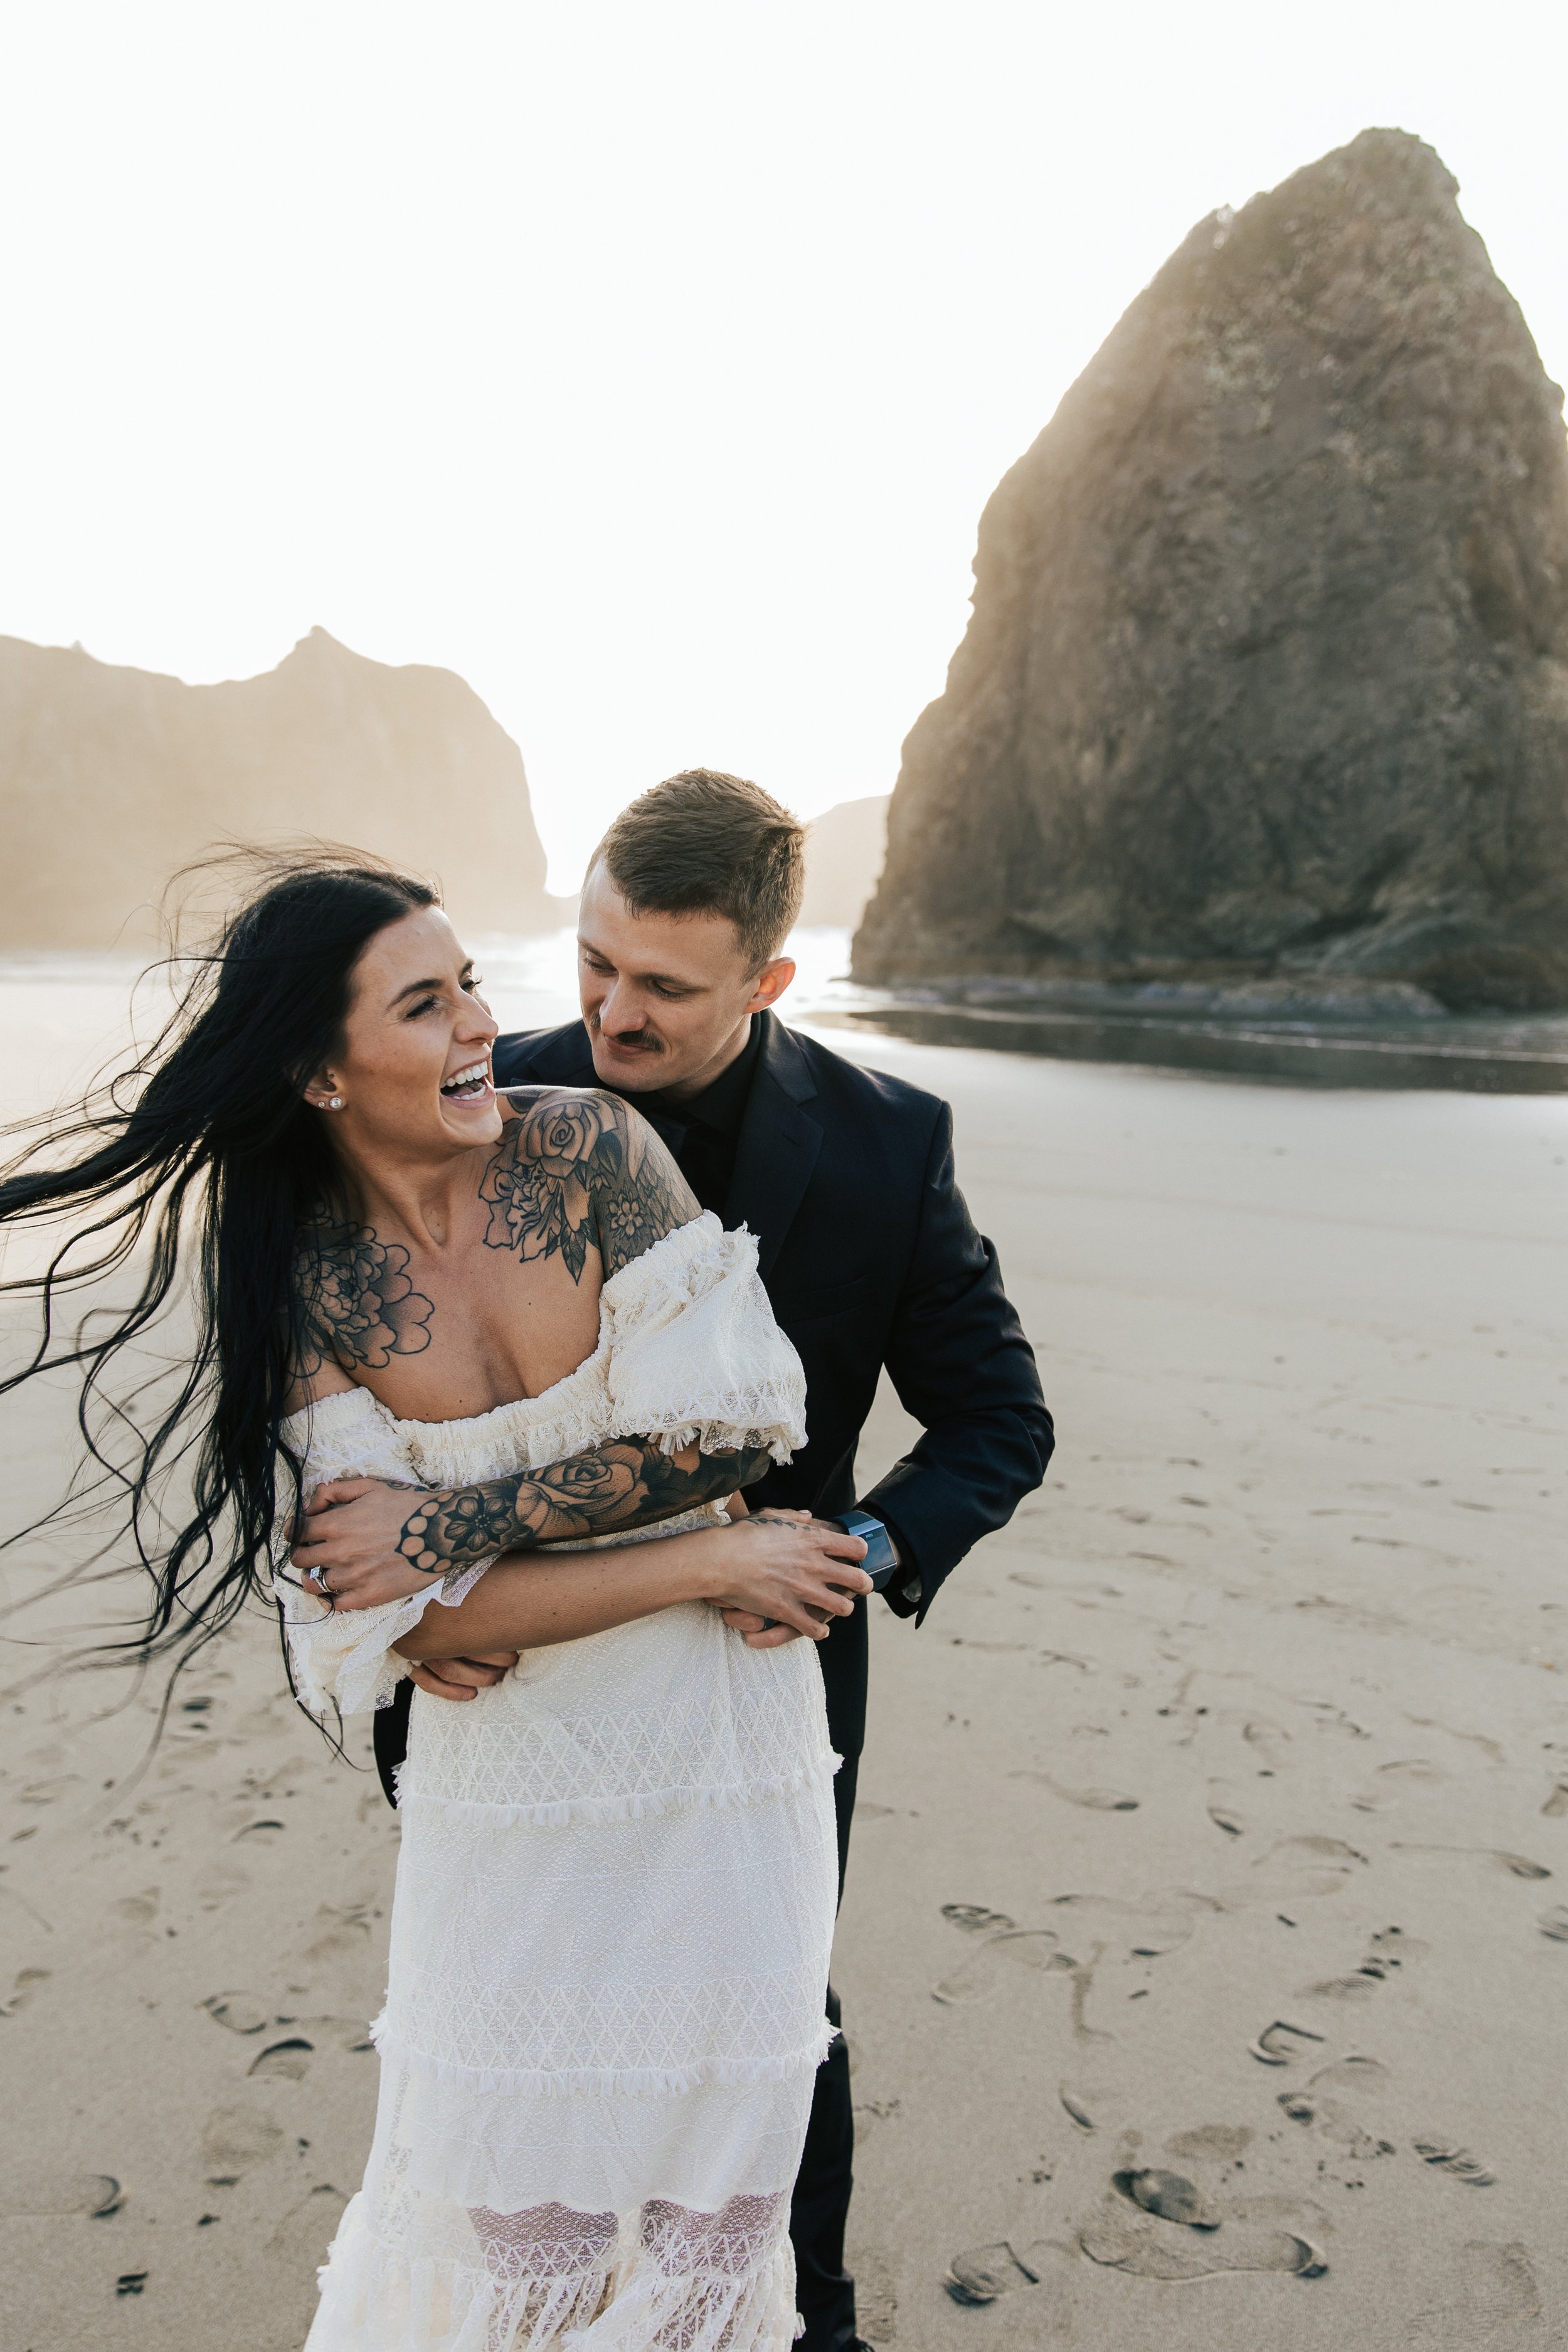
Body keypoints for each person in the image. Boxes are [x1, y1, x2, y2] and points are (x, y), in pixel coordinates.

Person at [0, 849, 876, 2352]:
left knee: (701, 2210)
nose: (481, 1023)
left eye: (470, 982)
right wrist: (712, 1558)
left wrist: (453, 1530)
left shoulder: (588, 1147)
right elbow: (400, 1616)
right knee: (497, 2194)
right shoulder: (296, 1277)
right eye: (424, 1003)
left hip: (721, 1759)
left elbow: (732, 1430)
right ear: (317, 1070)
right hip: (513, 1792)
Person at [299, 774, 1054, 2352]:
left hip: (764, 1671)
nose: (606, 1010)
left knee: (768, 2024)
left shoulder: (884, 1144)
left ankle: (802, 2314)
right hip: (503, 1669)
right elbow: (338, 1440)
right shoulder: (476, 1089)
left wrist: (858, 1547)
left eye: (660, 985)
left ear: (768, 980)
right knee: (524, 2027)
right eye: (590, 962)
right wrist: (415, 1613)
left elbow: (996, 1416)